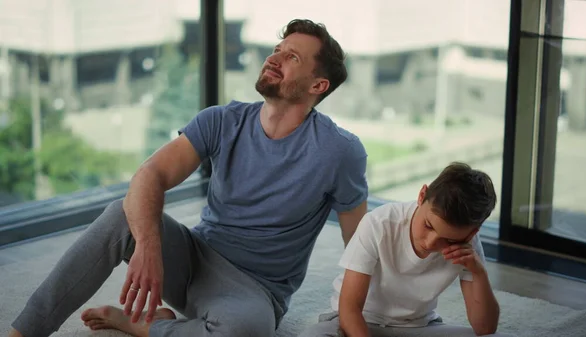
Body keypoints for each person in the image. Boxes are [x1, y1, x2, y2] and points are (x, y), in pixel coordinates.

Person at [8, 18, 368, 337]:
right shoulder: (222, 120)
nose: (273, 58)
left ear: (317, 86)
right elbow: (150, 174)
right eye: (277, 49)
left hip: (254, 291)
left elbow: (362, 245)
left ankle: (146, 325)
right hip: (193, 258)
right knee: (121, 213)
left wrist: (364, 312)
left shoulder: (339, 152)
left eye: (292, 57)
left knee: (247, 330)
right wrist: (149, 250)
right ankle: (24, 331)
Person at [300, 162, 516, 337]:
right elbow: (349, 310)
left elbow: (485, 328)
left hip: (419, 328)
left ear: (471, 232)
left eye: (448, 239)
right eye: (429, 226)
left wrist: (478, 272)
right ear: (422, 195)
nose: (431, 243)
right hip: (357, 323)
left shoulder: (469, 245)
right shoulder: (380, 223)